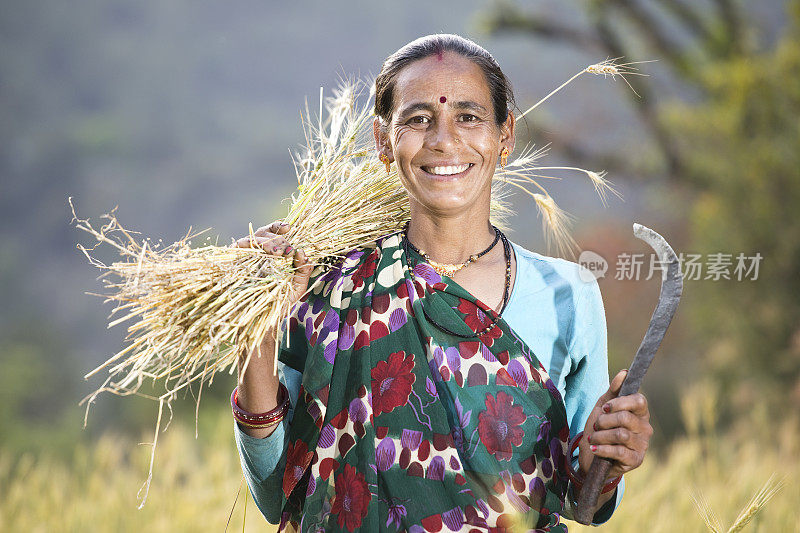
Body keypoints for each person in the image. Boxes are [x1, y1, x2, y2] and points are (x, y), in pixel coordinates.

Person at [231, 34, 652, 532]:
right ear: (384, 139)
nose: (443, 140)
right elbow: (277, 492)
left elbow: (589, 505)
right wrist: (254, 320)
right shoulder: (330, 289)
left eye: (468, 117)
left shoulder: (569, 295)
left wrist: (609, 455)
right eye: (418, 118)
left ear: (505, 135)